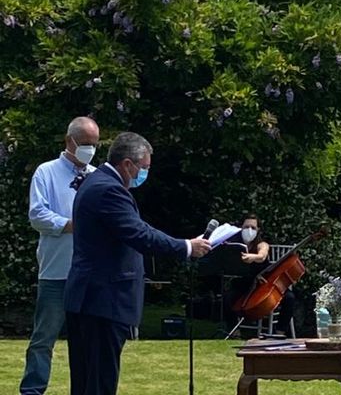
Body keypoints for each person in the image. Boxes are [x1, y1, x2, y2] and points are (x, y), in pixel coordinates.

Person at [63, 132, 211, 395]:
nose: (144, 174)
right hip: (102, 301)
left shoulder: (97, 183)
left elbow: (137, 230)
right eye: (144, 168)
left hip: (91, 299)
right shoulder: (108, 190)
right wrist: (186, 247)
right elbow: (139, 235)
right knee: (99, 383)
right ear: (128, 164)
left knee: (88, 382)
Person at [20, 116, 99, 395]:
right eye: (85, 143)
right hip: (56, 271)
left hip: (89, 272)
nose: (90, 149)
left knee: (88, 340)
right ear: (69, 141)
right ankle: (32, 389)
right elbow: (37, 215)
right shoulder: (46, 172)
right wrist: (71, 225)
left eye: (94, 144)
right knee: (44, 337)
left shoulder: (96, 174)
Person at [223, 214, 296, 337]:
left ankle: (279, 332)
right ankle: (234, 332)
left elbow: (262, 255)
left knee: (290, 298)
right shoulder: (236, 245)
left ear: (258, 230)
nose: (249, 230)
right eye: (246, 227)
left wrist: (253, 257)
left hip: (264, 282)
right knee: (227, 298)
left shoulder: (262, 244)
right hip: (246, 282)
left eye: (253, 227)